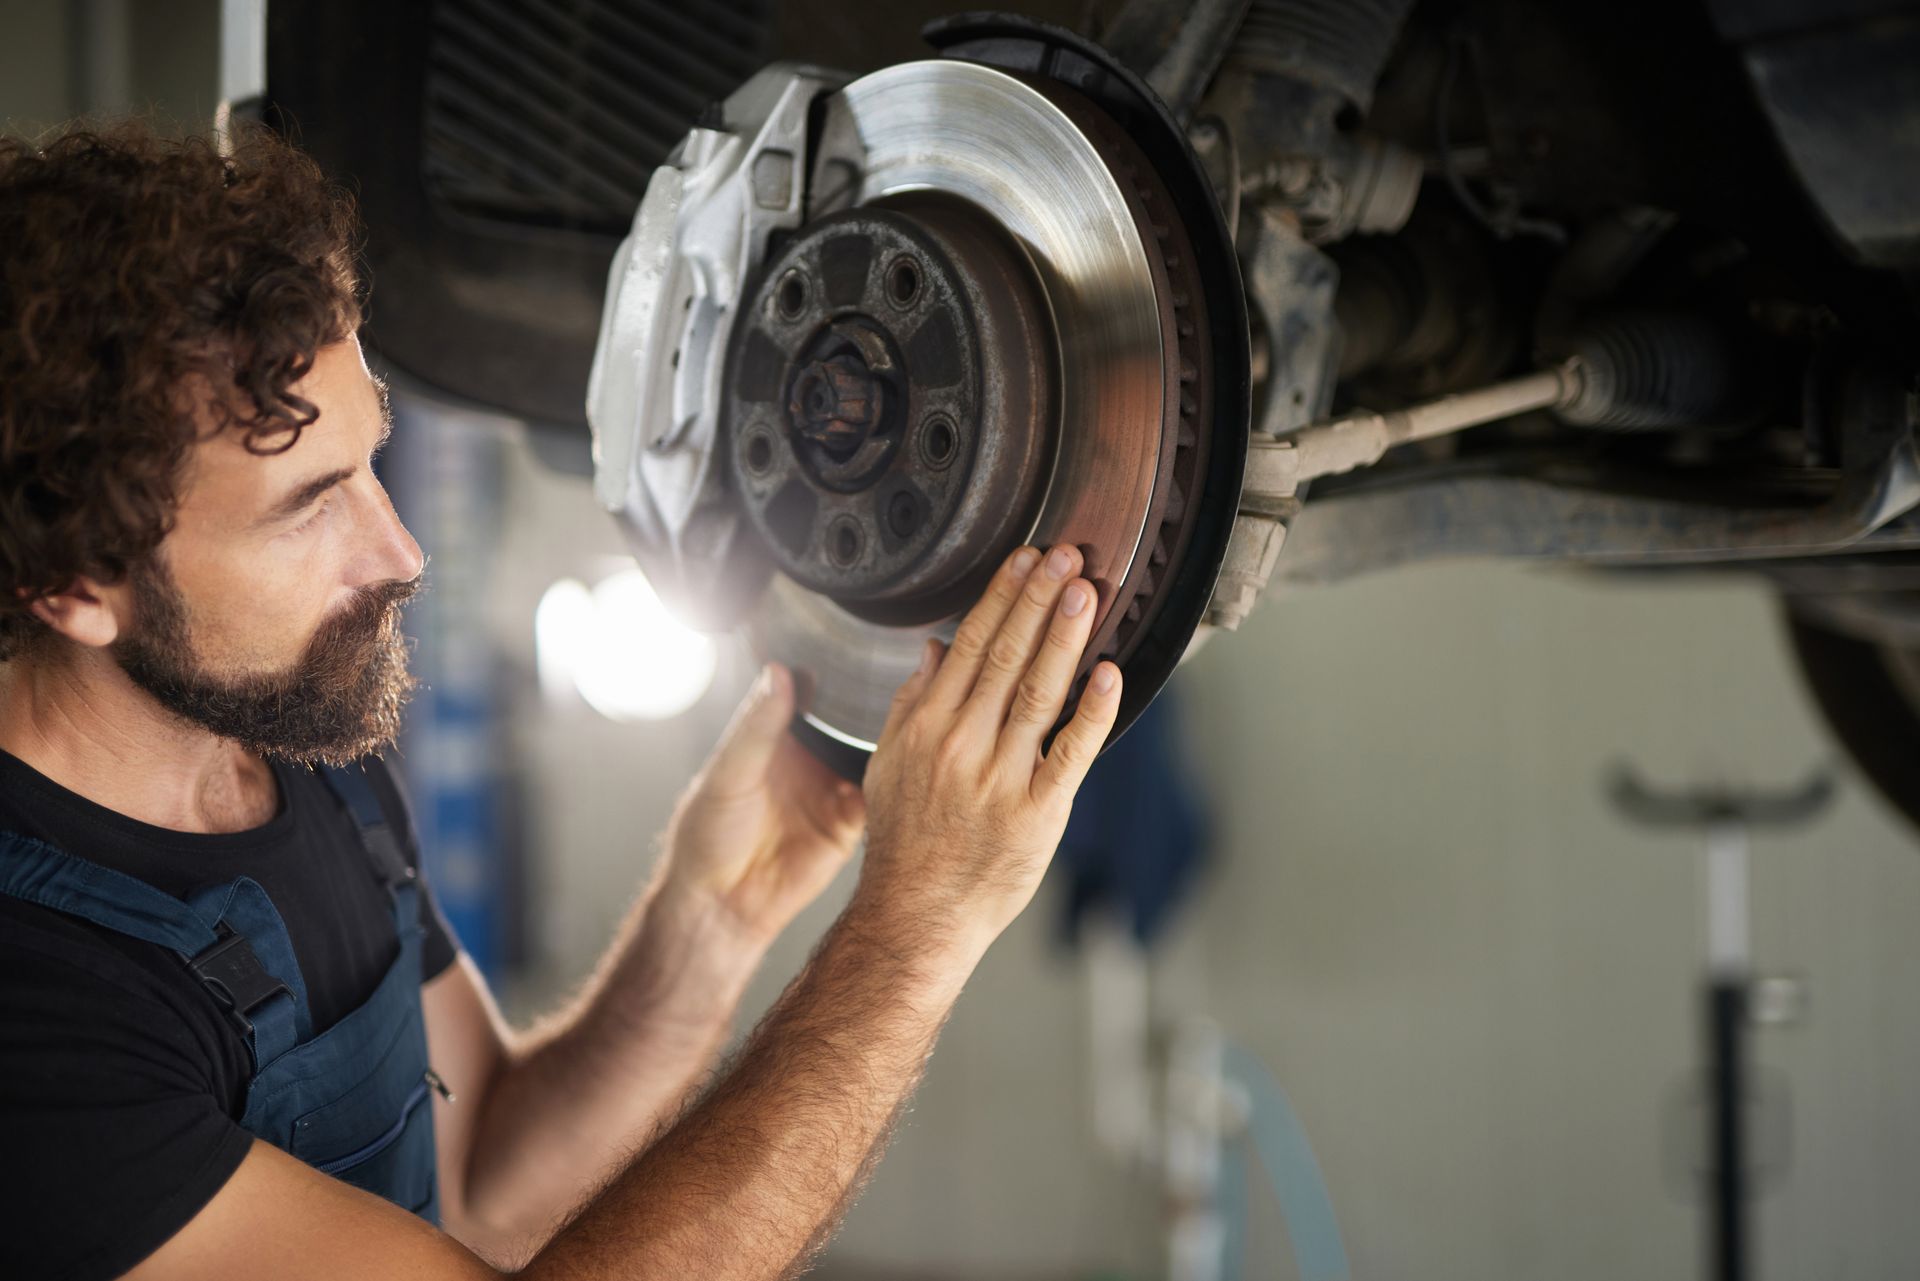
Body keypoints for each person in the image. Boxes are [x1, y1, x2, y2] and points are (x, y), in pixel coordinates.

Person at [0, 123, 1123, 1280]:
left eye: (371, 461)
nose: (398, 553)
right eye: (307, 507)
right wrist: (918, 928)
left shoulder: (292, 742)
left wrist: (712, 915)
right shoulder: (38, 1014)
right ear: (73, 587)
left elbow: (484, 1178)